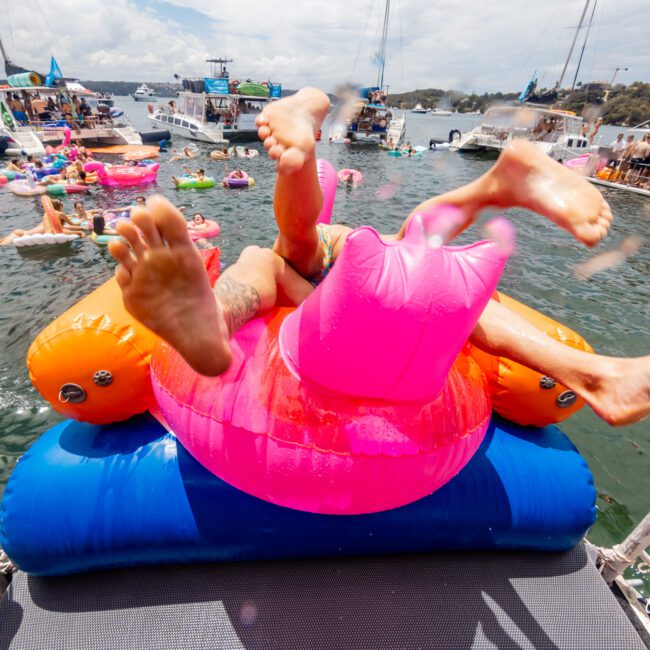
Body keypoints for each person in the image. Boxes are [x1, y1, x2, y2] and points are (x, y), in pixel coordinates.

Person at [109, 87, 650, 427]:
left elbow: (304, 246)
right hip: (350, 268)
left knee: (271, 256)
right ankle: (498, 188)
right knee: (421, 267)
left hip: (327, 267)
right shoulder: (360, 245)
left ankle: (214, 317)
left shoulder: (336, 241)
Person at [0, 199, 84, 244]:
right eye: (61, 204)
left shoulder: (47, 214)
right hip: (21, 236)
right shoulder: (59, 215)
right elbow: (71, 224)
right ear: (58, 206)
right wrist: (82, 222)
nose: (63, 205)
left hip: (20, 233)